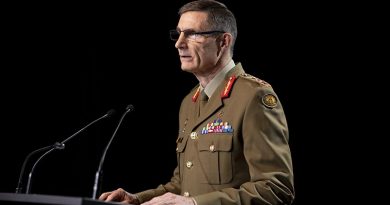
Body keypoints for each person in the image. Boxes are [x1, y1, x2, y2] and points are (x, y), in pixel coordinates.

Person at [99, 0, 294, 204]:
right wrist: (137, 199)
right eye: (178, 34)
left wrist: (195, 203)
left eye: (192, 34)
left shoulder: (254, 97)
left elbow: (275, 188)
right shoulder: (189, 103)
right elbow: (182, 186)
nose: (179, 43)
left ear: (223, 42)